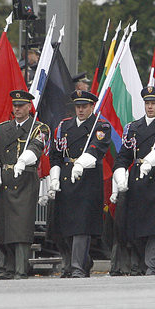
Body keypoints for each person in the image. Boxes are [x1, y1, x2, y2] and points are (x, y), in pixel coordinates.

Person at [112, 86, 155, 276]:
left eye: (154, 103)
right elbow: (123, 156)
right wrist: (119, 177)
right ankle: (137, 266)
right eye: (147, 103)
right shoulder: (133, 127)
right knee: (136, 224)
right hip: (136, 179)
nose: (150, 107)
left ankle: (151, 267)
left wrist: (149, 161)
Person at [48, 90, 112, 278]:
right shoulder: (64, 125)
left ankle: (77, 267)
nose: (81, 110)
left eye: (85, 106)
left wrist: (81, 164)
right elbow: (55, 153)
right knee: (63, 226)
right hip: (66, 177)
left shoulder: (100, 126)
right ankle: (73, 263)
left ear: (92, 106)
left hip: (87, 179)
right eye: (78, 106)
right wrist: (54, 177)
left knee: (81, 226)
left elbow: (97, 148)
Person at [0, 90, 50, 280]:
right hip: (6, 180)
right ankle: (7, 266)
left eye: (21, 105)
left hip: (25, 179)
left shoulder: (39, 127)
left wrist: (24, 160)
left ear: (29, 107)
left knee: (21, 225)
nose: (17, 109)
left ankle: (21, 268)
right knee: (4, 225)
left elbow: (36, 147)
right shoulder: (4, 128)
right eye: (15, 105)